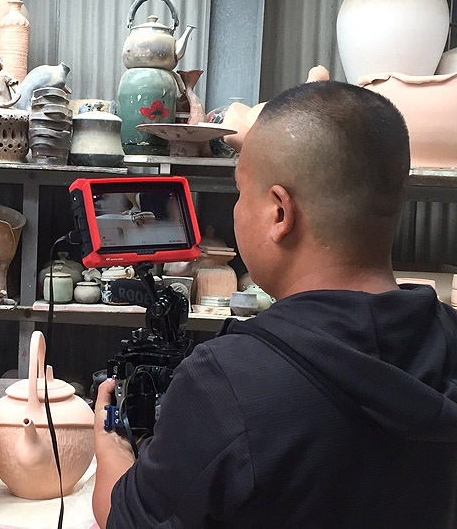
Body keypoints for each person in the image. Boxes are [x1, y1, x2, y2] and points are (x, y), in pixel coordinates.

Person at [93, 81, 457, 528]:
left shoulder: (226, 383)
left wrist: (110, 447)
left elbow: (123, 519)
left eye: (240, 191)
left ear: (280, 213)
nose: (237, 208)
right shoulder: (448, 338)